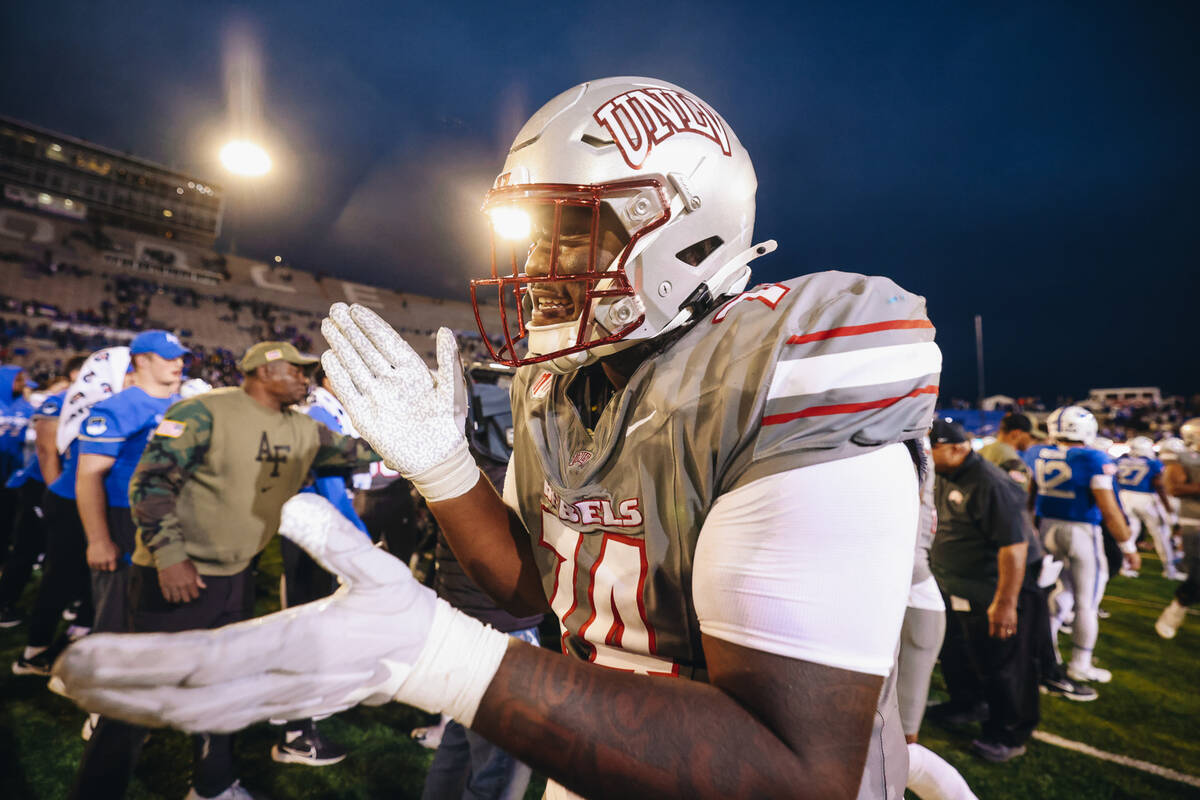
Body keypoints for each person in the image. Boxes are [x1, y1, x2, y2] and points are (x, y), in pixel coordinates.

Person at [58, 77, 941, 799]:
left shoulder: (787, 361)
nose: (539, 269)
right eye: (535, 235)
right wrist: (445, 471)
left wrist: (440, 659)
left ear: (683, 226)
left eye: (574, 230)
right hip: (598, 754)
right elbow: (531, 591)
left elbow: (794, 772)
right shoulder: (558, 383)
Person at [68, 341, 378, 800]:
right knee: (138, 696)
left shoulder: (304, 429)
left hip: (235, 574)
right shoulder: (204, 412)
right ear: (265, 369)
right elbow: (150, 483)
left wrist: (412, 438)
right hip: (173, 576)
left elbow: (361, 453)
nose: (304, 379)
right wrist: (170, 557)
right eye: (295, 370)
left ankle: (212, 784)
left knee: (223, 685)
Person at [927, 419, 1039, 763]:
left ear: (957, 448)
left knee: (1003, 662)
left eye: (931, 448)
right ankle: (967, 703)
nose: (924, 455)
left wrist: (1005, 603)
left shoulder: (990, 483)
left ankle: (1010, 732)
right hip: (957, 584)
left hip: (993, 587)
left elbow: (1013, 547)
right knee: (959, 653)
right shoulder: (945, 474)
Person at [13, 348, 130, 675]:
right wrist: (54, 495)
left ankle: (78, 635)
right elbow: (49, 451)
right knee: (59, 576)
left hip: (96, 498)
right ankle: (33, 651)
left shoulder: (123, 404)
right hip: (70, 496)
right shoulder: (74, 400)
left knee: (91, 579)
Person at [1027, 406, 1136, 683]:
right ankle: (1080, 664)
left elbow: (1030, 495)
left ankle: (1046, 655)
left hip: (1046, 528)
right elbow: (1108, 508)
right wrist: (1128, 547)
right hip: (1081, 532)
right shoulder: (1093, 457)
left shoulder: (1037, 452)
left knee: (1059, 591)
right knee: (1086, 603)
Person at [898, 436, 978, 799]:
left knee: (898, 734)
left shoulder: (901, 432)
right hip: (905, 582)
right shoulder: (908, 433)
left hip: (906, 584)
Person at [0, 356, 86, 627]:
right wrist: (54, 495)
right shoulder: (59, 402)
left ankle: (73, 599)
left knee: (63, 552)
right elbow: (46, 451)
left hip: (67, 488)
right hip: (42, 485)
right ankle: (4, 604)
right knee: (27, 548)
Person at [1156, 418, 1200, 639]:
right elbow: (1173, 487)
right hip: (1195, 523)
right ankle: (1174, 612)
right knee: (1198, 577)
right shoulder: (1181, 457)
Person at [1116, 436, 1180, 579]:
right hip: (1145, 498)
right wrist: (1167, 506)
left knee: (1129, 534)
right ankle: (1169, 570)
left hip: (1124, 497)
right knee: (1160, 534)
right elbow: (1159, 485)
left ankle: (1125, 567)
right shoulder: (1153, 463)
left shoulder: (1120, 461)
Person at [0, 364, 35, 561]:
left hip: (13, 473)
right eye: (19, 380)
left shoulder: (26, 406)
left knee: (6, 517)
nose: (23, 385)